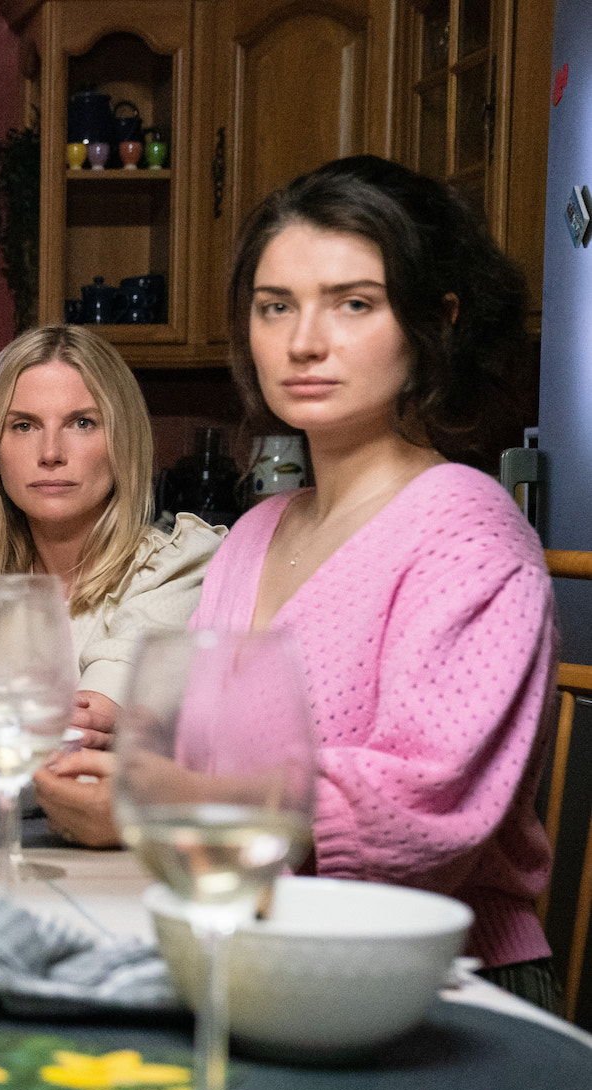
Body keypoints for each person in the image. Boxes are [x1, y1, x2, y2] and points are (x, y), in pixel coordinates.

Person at [37, 156, 558, 1007]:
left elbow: (423, 807)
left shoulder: (469, 531)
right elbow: (217, 753)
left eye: (354, 303)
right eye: (275, 306)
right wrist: (128, 745)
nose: (304, 340)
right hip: (259, 950)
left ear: (437, 320)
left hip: (447, 989)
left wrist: (150, 806)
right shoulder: (253, 533)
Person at [0, 325, 222, 747]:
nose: (50, 452)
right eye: (23, 426)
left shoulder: (175, 567)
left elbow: (83, 724)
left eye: (82, 423)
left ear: (123, 445)